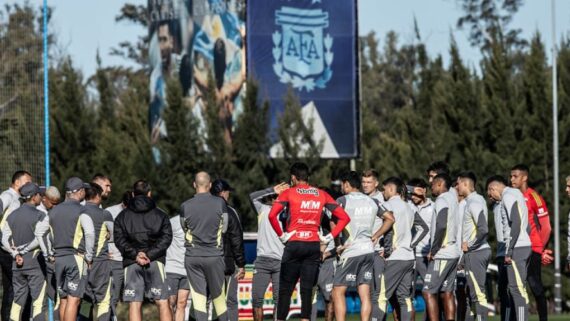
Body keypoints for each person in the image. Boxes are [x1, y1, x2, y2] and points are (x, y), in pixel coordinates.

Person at [267, 162, 350, 321]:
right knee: (306, 290)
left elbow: (272, 216)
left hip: (294, 244)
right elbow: (344, 218)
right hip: (313, 245)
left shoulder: (289, 193)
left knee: (286, 290)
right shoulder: (321, 194)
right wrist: (329, 237)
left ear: (293, 178)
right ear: (307, 177)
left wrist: (282, 235)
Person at [332, 171, 394, 321]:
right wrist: (376, 235)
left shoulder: (342, 200)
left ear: (346, 184)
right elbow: (390, 219)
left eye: (342, 184)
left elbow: (332, 220)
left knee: (337, 291)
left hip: (351, 250)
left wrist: (338, 244)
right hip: (368, 250)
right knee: (365, 293)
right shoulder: (371, 201)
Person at [114, 180, 172, 321]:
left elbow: (119, 239)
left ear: (133, 194)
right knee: (163, 301)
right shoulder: (161, 215)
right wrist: (150, 255)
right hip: (155, 261)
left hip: (132, 262)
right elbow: (166, 238)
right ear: (149, 193)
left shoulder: (122, 216)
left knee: (134, 302)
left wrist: (135, 255)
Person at [180, 172, 229, 321]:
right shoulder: (220, 203)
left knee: (199, 301)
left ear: (194, 185)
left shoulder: (185, 206)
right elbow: (225, 228)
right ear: (210, 185)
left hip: (193, 257)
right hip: (214, 256)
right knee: (219, 300)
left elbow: (185, 228)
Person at [1, 182, 49, 321]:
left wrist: (15, 253)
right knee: (38, 302)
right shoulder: (41, 215)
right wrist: (25, 249)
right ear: (34, 197)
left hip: (17, 264)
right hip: (35, 264)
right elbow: (39, 238)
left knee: (17, 300)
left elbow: (4, 239)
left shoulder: (12, 215)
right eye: (39, 194)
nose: (41, 197)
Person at [49, 177, 95, 321]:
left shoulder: (53, 211)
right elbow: (90, 233)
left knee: (63, 299)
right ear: (80, 191)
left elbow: (41, 232)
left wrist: (49, 252)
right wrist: (89, 256)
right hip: (75, 258)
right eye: (84, 190)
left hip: (58, 259)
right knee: (73, 300)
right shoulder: (82, 210)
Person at [486, 175, 531, 321]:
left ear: (493, 188)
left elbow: (515, 220)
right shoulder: (517, 193)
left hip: (516, 248)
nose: (490, 196)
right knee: (517, 289)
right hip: (523, 246)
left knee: (517, 291)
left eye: (490, 192)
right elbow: (526, 225)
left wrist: (509, 249)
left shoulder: (507, 196)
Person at [510, 164, 551, 321]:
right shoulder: (510, 196)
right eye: (511, 176)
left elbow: (546, 226)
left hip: (533, 248)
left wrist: (540, 248)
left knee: (535, 287)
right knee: (514, 288)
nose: (512, 179)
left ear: (524, 177)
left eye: (515, 176)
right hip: (515, 248)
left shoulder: (533, 196)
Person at [374, 177, 415, 321]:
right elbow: (418, 229)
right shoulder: (409, 207)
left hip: (395, 258)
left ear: (391, 189)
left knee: (380, 296)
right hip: (409, 257)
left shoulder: (389, 205)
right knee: (404, 298)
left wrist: (386, 248)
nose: (383, 192)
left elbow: (390, 227)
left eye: (384, 189)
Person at [423, 173, 461, 321]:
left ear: (439, 184)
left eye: (432, 184)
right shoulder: (453, 198)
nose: (430, 187)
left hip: (442, 253)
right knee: (447, 292)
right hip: (453, 251)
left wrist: (434, 249)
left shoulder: (442, 199)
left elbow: (441, 225)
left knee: (427, 292)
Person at [249, 183, 288, 321]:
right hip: (262, 262)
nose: (278, 197)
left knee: (279, 301)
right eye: (276, 195)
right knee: (257, 300)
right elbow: (252, 197)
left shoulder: (287, 212)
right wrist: (271, 190)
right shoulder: (262, 209)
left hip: (280, 262)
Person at [456, 172, 491, 321]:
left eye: (458, 184)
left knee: (478, 294)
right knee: (472, 295)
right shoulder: (474, 200)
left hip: (477, 253)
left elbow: (483, 228)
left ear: (465, 184)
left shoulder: (474, 202)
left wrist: (469, 246)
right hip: (473, 253)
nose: (456, 187)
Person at [211, 178, 246, 321]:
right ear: (223, 193)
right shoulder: (230, 212)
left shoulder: (204, 210)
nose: (229, 195)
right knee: (230, 301)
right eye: (228, 192)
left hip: (206, 262)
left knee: (210, 301)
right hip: (227, 264)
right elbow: (237, 240)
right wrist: (241, 265)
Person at [0, 170, 32, 321]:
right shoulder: (7, 196)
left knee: (11, 289)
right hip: (6, 251)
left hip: (10, 251)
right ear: (17, 182)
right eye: (27, 182)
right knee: (18, 287)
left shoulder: (19, 200)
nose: (29, 186)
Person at [83, 184, 114, 321]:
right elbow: (113, 235)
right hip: (100, 262)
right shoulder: (105, 214)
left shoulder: (79, 211)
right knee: (103, 301)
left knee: (84, 301)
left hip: (82, 261)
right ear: (97, 196)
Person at [360, 169, 387, 321]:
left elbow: (390, 223)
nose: (365, 185)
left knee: (378, 293)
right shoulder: (360, 199)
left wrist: (386, 247)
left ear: (376, 183)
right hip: (363, 252)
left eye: (369, 182)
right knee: (366, 292)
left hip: (378, 251)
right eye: (363, 182)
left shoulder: (382, 200)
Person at [105, 190, 132, 319]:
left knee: (133, 298)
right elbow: (101, 234)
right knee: (113, 296)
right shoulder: (110, 212)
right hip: (114, 260)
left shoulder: (136, 212)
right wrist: (104, 252)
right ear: (125, 204)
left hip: (132, 260)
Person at [406, 178, 433, 305]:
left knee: (429, 292)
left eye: (415, 193)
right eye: (410, 193)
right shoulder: (407, 206)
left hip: (425, 256)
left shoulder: (434, 207)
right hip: (408, 256)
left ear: (424, 191)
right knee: (406, 295)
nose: (413, 196)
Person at [165, 214, 189, 321]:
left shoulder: (198, 223)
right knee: (170, 303)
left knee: (182, 304)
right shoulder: (172, 222)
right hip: (172, 268)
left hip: (188, 270)